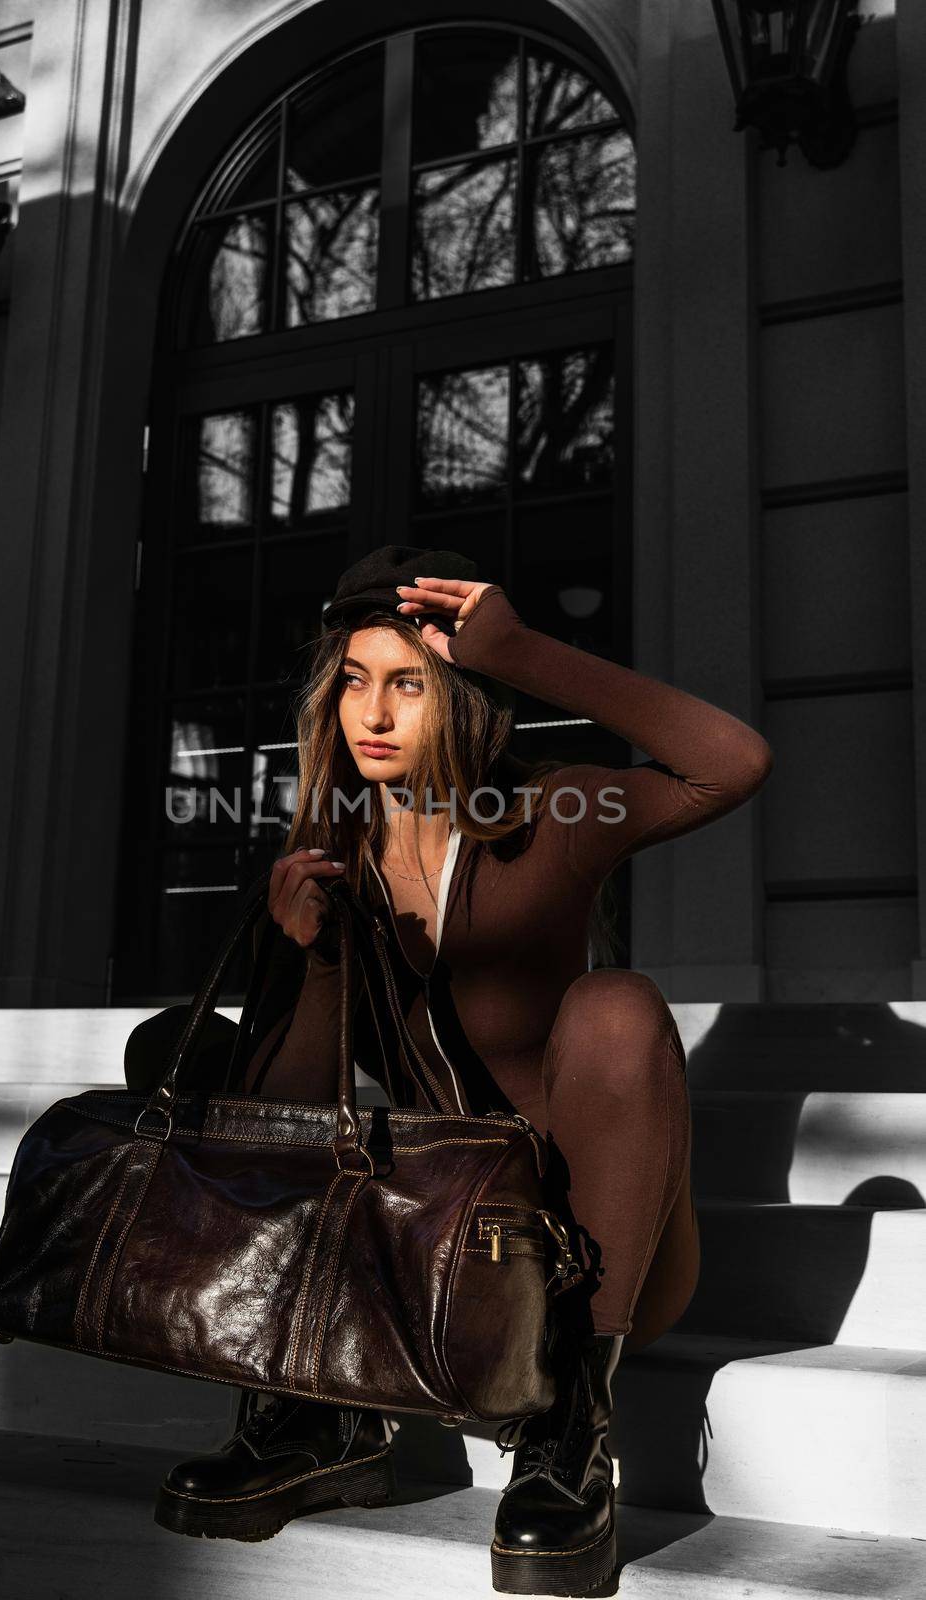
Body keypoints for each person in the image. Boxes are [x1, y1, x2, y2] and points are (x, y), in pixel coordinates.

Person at [150, 544, 773, 1594]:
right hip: (447, 1240)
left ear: (467, 697)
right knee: (191, 1049)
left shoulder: (551, 818)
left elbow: (732, 760)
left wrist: (525, 651)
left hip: (591, 1251)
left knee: (616, 1008)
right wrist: (313, 958)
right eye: (354, 681)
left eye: (408, 682)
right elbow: (295, 1117)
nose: (373, 713)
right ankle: (313, 1417)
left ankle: (572, 1431)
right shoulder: (329, 851)